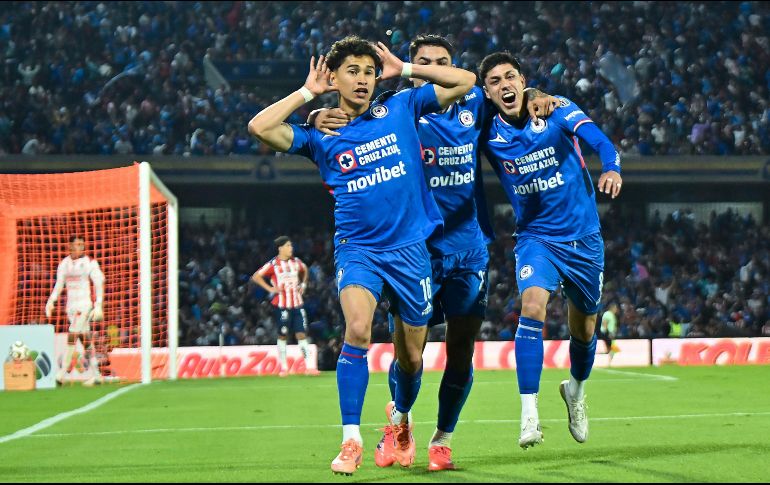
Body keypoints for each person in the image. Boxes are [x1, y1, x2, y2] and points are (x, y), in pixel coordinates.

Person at [311, 34, 558, 471]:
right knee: (410, 353)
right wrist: (316, 113)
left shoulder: (475, 108)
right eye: (422, 61)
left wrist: (537, 94)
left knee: (460, 350)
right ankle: (400, 420)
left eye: (440, 61)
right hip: (415, 250)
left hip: (468, 250)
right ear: (408, 66)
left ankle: (443, 439)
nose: (431, 66)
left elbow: (513, 103)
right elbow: (345, 116)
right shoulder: (399, 109)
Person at [247, 36, 477, 475]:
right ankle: (350, 439)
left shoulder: (401, 107)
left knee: (411, 359)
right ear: (333, 77)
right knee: (356, 329)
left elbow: (465, 80)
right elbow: (259, 128)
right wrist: (306, 96)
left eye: (369, 72)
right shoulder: (321, 134)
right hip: (360, 250)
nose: (363, 79)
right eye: (353, 71)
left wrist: (405, 69)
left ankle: (401, 419)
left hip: (411, 251)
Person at [479, 51, 623, 449]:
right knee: (531, 307)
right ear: (487, 92)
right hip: (536, 238)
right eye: (494, 81)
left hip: (584, 239)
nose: (504, 84)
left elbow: (600, 141)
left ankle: (575, 390)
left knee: (585, 329)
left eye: (511, 76)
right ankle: (529, 415)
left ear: (522, 79)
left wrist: (611, 166)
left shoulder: (557, 109)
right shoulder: (486, 129)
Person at [251, 235, 317, 377]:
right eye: (288, 246)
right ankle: (284, 367)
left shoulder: (296, 262)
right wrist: (270, 289)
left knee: (301, 334)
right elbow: (256, 276)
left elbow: (305, 269)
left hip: (298, 304)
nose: (291, 248)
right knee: (283, 335)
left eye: (291, 246)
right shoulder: (273, 264)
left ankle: (310, 367)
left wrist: (303, 284)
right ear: (280, 248)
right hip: (282, 305)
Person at [45, 235, 105, 386]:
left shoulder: (89, 262)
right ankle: (97, 375)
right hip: (71, 307)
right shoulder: (64, 264)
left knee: (72, 334)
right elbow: (59, 285)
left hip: (84, 305)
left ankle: (61, 373)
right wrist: (51, 301)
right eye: (77, 244)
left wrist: (98, 305)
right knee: (84, 340)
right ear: (70, 246)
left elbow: (99, 283)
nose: (80, 247)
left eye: (82, 244)